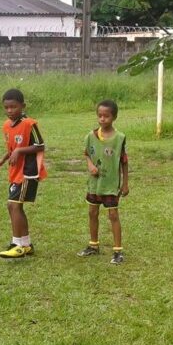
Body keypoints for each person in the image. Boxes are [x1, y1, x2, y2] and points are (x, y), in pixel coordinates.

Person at [0, 89, 46, 258]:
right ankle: (26, 243)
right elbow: (11, 149)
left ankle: (17, 244)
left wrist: (19, 151)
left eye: (13, 107)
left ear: (22, 106)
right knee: (14, 205)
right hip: (15, 172)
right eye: (6, 108)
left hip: (28, 172)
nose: (10, 111)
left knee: (14, 205)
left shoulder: (29, 124)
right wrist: (3, 159)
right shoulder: (6, 126)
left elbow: (40, 146)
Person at [77, 100, 130, 265]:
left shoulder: (119, 138)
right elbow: (86, 154)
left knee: (113, 215)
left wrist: (125, 183)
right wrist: (90, 164)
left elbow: (124, 161)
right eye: (99, 115)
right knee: (92, 213)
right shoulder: (91, 136)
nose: (102, 119)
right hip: (94, 184)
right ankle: (93, 245)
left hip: (110, 185)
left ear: (114, 117)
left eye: (106, 116)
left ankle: (117, 251)